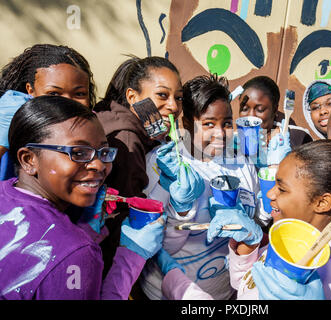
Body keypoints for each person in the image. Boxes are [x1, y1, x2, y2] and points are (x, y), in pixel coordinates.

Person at [157, 139, 331, 300]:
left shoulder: (324, 273)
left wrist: (179, 286)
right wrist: (249, 247)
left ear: (322, 203)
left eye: (282, 189)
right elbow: (247, 286)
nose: (270, 194)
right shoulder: (291, 239)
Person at [0, 96, 165, 299]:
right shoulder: (77, 254)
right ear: (29, 159)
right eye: (78, 153)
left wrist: (83, 233)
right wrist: (131, 258)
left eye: (104, 152)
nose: (99, 165)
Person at [139, 73, 261, 300]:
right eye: (208, 124)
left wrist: (248, 227)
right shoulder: (162, 164)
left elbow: (256, 216)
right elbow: (153, 245)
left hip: (224, 293)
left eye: (226, 123)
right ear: (187, 124)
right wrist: (181, 210)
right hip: (166, 294)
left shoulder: (241, 164)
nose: (220, 133)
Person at [93, 56, 183, 275]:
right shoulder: (127, 141)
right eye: (162, 95)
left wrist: (156, 139)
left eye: (179, 98)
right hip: (108, 260)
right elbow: (127, 211)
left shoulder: (114, 115)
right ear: (132, 97)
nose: (173, 106)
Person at [0, 43, 95, 178]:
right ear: (30, 91)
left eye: (79, 94)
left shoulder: (91, 130)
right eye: (53, 94)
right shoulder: (12, 123)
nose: (67, 102)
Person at [237, 76, 312, 167]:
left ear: (274, 110)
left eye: (260, 110)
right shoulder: (233, 141)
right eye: (244, 109)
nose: (251, 116)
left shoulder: (297, 138)